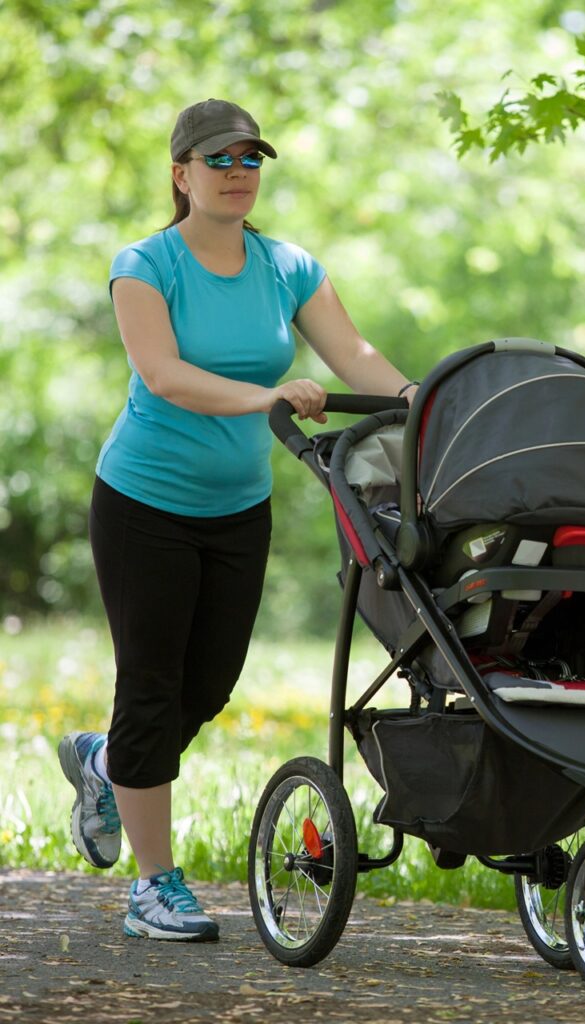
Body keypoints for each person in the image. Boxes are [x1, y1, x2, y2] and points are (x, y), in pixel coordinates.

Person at [58, 98, 417, 942]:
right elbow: (165, 374)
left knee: (208, 686)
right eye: (219, 159)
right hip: (143, 504)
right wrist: (269, 398)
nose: (237, 172)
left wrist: (425, 406)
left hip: (236, 509)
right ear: (181, 173)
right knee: (149, 687)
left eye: (251, 158)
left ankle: (106, 766)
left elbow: (355, 356)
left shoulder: (288, 266)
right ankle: (154, 887)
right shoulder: (146, 265)